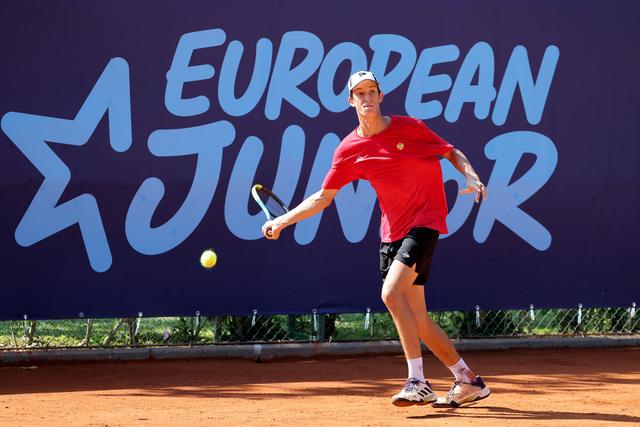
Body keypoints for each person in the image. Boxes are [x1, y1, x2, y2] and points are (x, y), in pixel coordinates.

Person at [261, 71, 490, 408]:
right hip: (392, 232)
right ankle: (467, 379)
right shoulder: (349, 149)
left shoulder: (410, 128)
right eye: (359, 93)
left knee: (390, 294)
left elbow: (450, 151)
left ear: (381, 96)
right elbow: (323, 198)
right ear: (350, 100)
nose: (366, 97)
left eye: (372, 91)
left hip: (424, 223)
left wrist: (473, 177)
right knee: (419, 319)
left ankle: (417, 381)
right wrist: (282, 220)